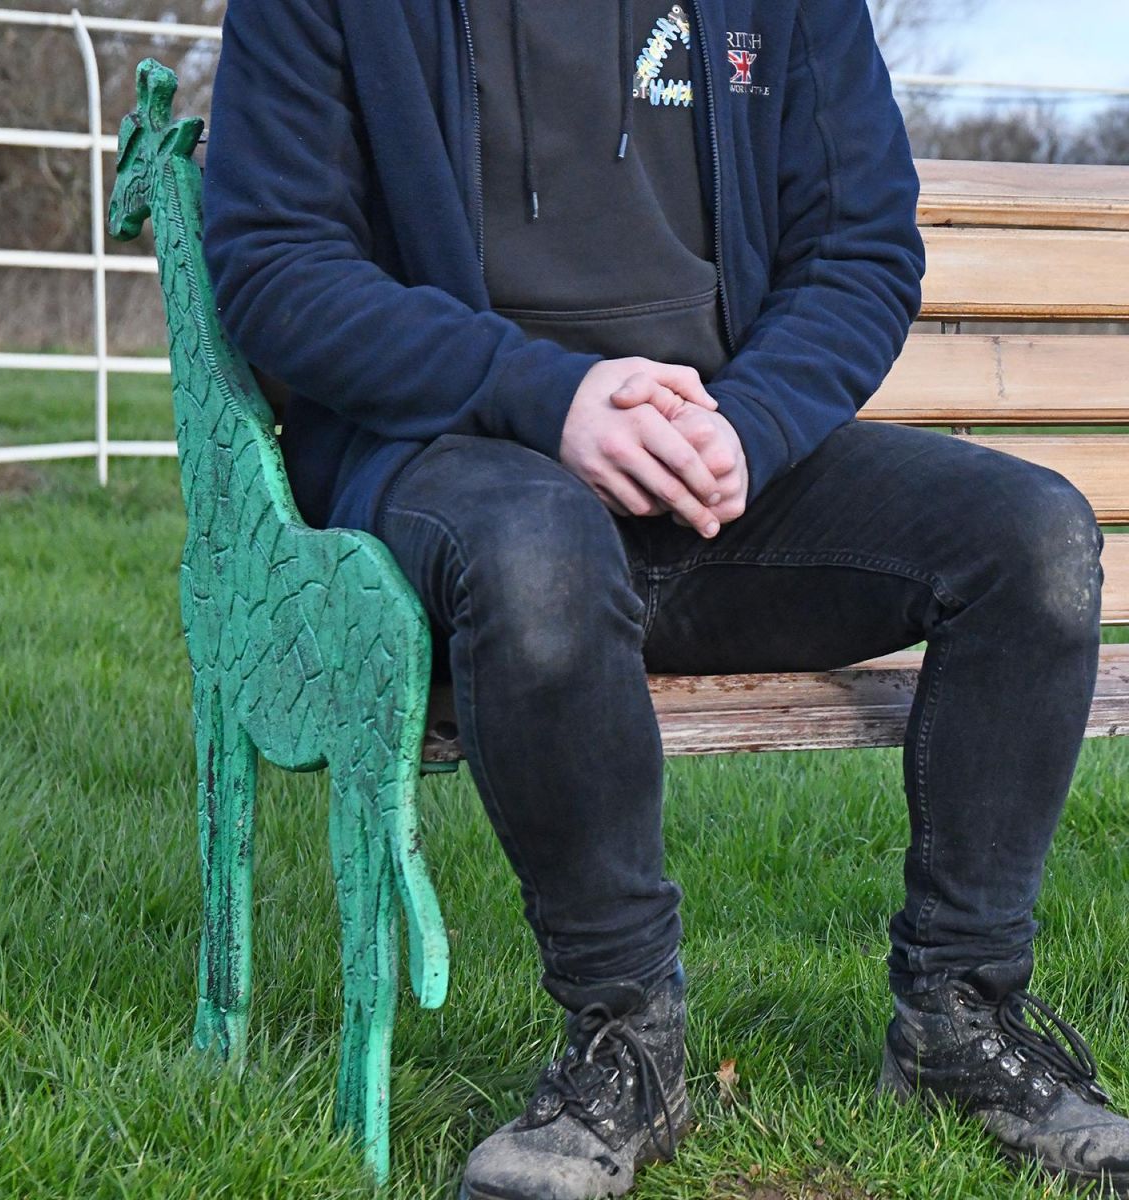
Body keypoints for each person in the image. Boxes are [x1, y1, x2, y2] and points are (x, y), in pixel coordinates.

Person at [201, 1, 1128, 1196]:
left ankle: (960, 1016)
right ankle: (625, 1042)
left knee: (1034, 539)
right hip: (468, 455)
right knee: (538, 552)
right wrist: (547, 396)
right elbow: (278, 264)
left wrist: (752, 426)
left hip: (724, 468)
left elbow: (861, 251)